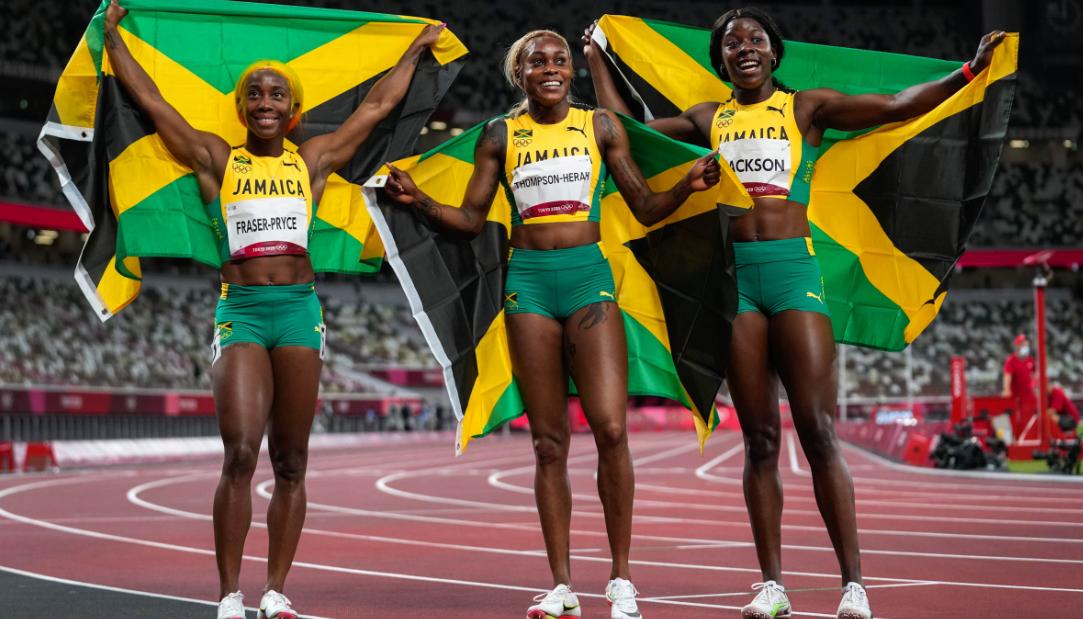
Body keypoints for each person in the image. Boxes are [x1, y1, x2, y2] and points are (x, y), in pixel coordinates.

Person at [583, 8, 1004, 619]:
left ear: (774, 54)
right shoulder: (709, 119)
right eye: (732, 43)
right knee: (759, 440)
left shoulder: (807, 109)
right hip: (738, 283)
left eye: (755, 39)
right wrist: (597, 57)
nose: (745, 48)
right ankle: (772, 585)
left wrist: (968, 71)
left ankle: (853, 584)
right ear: (720, 59)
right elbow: (624, 132)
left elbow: (894, 106)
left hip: (793, 275)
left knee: (818, 431)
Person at [102, 3, 443, 618]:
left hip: (298, 311)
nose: (265, 101)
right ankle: (230, 594)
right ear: (242, 107)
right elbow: (153, 103)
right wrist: (114, 41)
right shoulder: (215, 158)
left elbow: (373, 109)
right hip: (243, 312)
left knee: (291, 460)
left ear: (294, 110)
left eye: (277, 94)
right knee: (239, 452)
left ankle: (275, 590)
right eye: (255, 93)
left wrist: (415, 50)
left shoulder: (309, 161)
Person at [384, 29, 719, 619]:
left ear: (573, 70)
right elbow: (469, 219)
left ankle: (620, 580)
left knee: (612, 430)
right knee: (547, 444)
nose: (552, 67)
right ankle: (562, 585)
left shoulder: (600, 127)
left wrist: (686, 187)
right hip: (529, 286)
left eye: (561, 59)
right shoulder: (499, 135)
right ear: (520, 75)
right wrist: (420, 204)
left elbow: (642, 205)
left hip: (589, 279)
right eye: (537, 61)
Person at [1002, 333, 1038, 430]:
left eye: (1027, 345)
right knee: (1015, 423)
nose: (1026, 347)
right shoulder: (1011, 360)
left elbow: (1034, 376)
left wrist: (1036, 389)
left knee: (1030, 423)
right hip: (1016, 398)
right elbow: (1007, 376)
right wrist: (1006, 390)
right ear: (1017, 346)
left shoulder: (1030, 360)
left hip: (1029, 398)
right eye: (1023, 345)